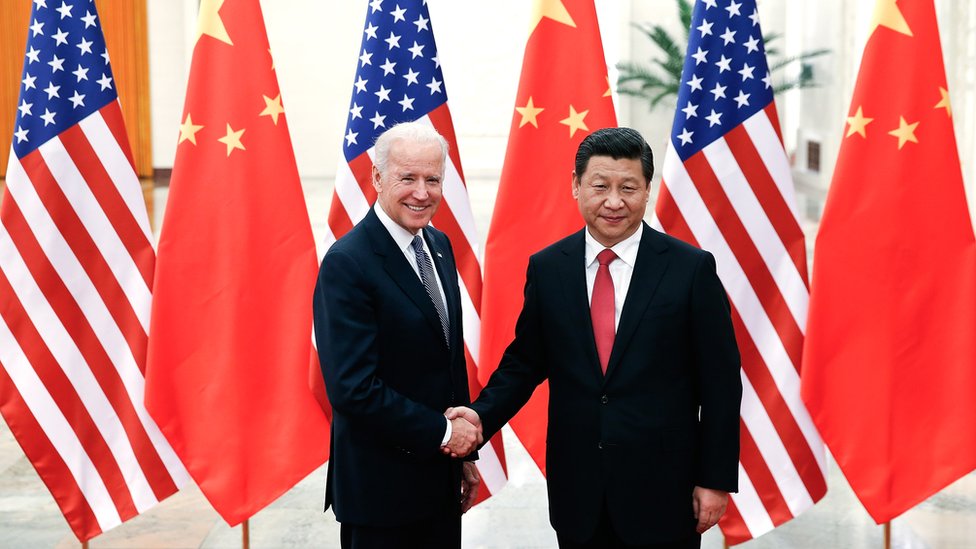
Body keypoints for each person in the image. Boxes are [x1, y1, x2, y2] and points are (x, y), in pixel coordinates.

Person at [449, 127, 742, 548]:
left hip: (664, 490)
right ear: (576, 186)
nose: (614, 201)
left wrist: (714, 480)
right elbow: (524, 363)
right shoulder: (549, 268)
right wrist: (480, 417)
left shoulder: (690, 270)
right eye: (600, 186)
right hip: (578, 489)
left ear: (647, 190)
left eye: (628, 187)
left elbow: (721, 384)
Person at [313, 122, 482, 549]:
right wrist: (445, 435)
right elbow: (353, 388)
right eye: (407, 178)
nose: (422, 193)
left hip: (438, 484)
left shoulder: (439, 246)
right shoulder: (348, 263)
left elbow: (447, 359)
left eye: (433, 179)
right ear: (377, 178)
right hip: (380, 494)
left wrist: (463, 455)